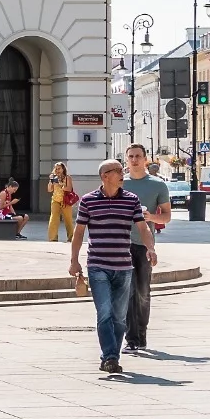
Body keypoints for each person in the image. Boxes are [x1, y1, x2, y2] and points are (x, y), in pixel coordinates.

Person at [67, 158, 149, 376]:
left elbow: (142, 227)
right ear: (105, 176)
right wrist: (74, 260)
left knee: (120, 317)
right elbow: (79, 232)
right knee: (104, 313)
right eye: (118, 171)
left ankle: (111, 356)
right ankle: (110, 357)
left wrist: (151, 249)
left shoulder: (131, 199)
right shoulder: (88, 201)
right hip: (98, 265)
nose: (123, 173)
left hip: (124, 266)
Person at [121, 143, 170, 354]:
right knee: (125, 292)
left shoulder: (157, 185)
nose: (134, 160)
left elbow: (167, 216)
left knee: (142, 291)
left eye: (138, 156)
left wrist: (151, 217)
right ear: (126, 159)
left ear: (145, 159)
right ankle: (130, 337)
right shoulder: (118, 182)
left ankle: (141, 334)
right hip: (120, 243)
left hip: (143, 244)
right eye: (131, 156)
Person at [45, 162, 76, 241]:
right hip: (55, 200)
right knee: (53, 219)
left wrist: (60, 184)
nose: (57, 170)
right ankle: (53, 238)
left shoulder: (67, 177)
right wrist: (51, 181)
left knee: (68, 219)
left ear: (63, 169)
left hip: (65, 201)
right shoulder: (54, 178)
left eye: (59, 168)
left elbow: (69, 188)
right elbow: (49, 190)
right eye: (56, 169)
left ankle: (71, 238)